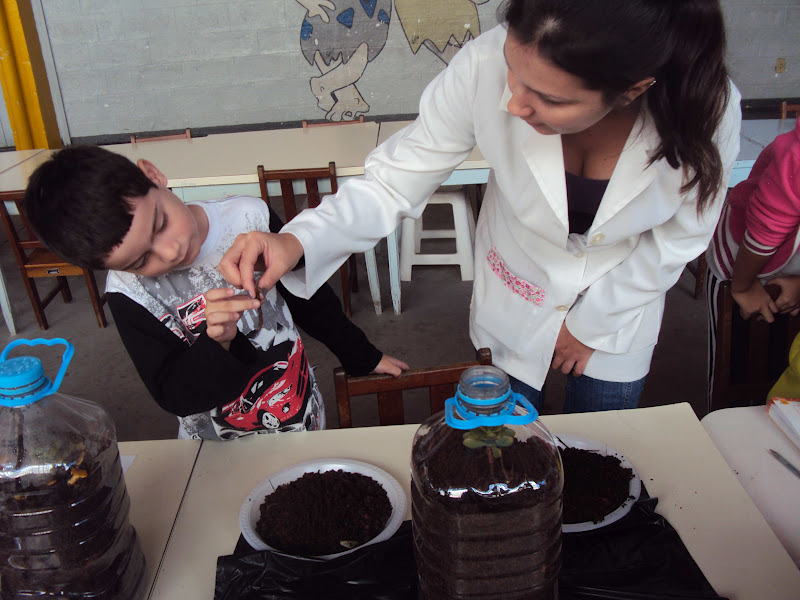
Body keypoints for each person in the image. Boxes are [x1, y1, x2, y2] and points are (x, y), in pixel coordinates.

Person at [219, 0, 742, 414]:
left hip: (622, 302)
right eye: (513, 71)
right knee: (504, 443)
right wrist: (299, 238)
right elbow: (395, 179)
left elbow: (680, 238)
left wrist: (590, 325)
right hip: (517, 291)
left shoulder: (706, 111)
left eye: (551, 99)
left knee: (601, 452)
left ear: (633, 90)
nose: (514, 104)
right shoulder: (483, 65)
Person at [23, 146, 407, 440]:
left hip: (297, 415)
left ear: (153, 175)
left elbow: (311, 301)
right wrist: (217, 343)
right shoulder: (128, 293)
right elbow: (171, 392)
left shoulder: (249, 219)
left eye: (160, 223)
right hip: (214, 446)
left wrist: (361, 354)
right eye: (141, 260)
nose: (170, 251)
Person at [705, 116, 800, 408]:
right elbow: (765, 232)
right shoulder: (795, 154)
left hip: (788, 268)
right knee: (740, 371)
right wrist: (743, 286)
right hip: (745, 263)